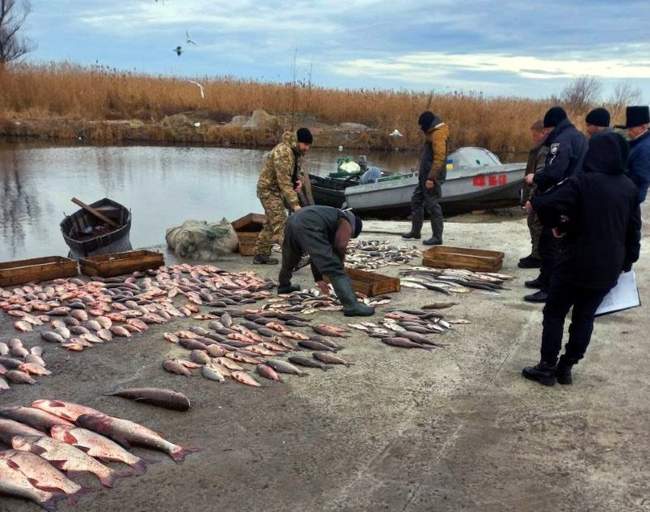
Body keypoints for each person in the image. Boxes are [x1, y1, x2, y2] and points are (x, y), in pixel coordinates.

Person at [522, 132, 641, 386]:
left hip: (575, 262)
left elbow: (544, 203)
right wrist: (627, 262)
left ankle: (546, 367)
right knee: (585, 317)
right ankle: (566, 367)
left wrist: (556, 226)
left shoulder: (581, 182)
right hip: (608, 267)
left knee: (554, 312)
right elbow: (634, 230)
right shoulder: (629, 187)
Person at [523, 107, 588, 303]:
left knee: (550, 241)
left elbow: (555, 171)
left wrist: (536, 177)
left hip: (562, 196)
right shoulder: (579, 137)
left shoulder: (562, 140)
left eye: (547, 130)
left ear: (552, 127)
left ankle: (549, 287)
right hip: (573, 195)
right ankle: (544, 278)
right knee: (550, 241)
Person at [278, 205, 374, 317]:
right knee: (334, 267)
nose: (349, 237)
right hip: (308, 222)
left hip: (293, 221)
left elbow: (316, 253)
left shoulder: (329, 219)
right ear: (353, 228)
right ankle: (352, 306)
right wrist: (340, 262)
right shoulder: (346, 221)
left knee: (290, 259)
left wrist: (318, 278)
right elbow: (341, 245)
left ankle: (284, 286)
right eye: (351, 236)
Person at [253, 128, 313, 265]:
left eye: (309, 145)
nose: (307, 148)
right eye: (305, 145)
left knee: (270, 223)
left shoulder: (295, 152)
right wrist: (295, 204)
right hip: (268, 190)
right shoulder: (283, 152)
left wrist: (298, 181)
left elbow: (296, 173)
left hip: (277, 191)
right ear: (298, 142)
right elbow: (284, 182)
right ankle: (294, 258)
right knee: (281, 223)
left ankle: (261, 255)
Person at [402, 111, 449, 246]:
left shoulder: (438, 134)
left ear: (427, 124)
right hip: (425, 175)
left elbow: (439, 158)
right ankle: (415, 231)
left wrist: (431, 178)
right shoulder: (432, 131)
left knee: (432, 204)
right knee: (416, 200)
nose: (421, 129)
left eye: (422, 126)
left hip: (432, 176)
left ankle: (437, 237)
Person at [518, 120, 548, 269]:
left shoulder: (544, 151)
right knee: (532, 223)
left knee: (537, 224)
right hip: (534, 191)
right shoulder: (537, 149)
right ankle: (535, 253)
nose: (533, 138)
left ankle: (538, 256)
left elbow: (540, 175)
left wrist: (531, 198)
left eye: (535, 135)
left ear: (543, 133)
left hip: (538, 193)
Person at [624, 105, 650, 203]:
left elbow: (641, 180)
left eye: (631, 129)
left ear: (643, 127)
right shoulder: (639, 142)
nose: (628, 132)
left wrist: (631, 202)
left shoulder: (644, 148)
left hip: (630, 200)